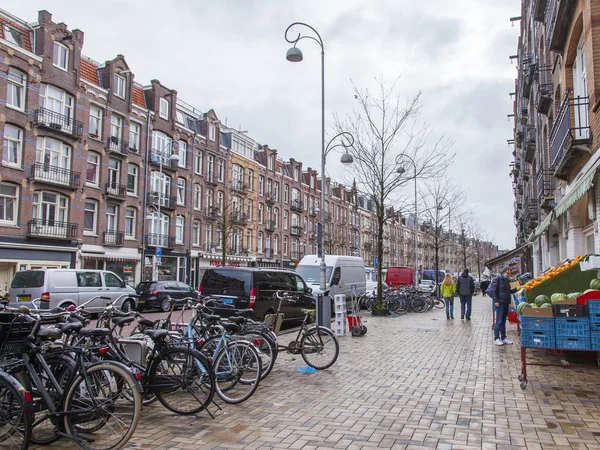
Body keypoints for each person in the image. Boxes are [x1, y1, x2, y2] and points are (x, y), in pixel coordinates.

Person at [489, 267, 514, 346]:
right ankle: (496, 338)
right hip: (500, 302)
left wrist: (517, 289)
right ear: (503, 272)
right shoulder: (497, 279)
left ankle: (503, 337)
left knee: (503, 320)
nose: (508, 275)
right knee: (499, 320)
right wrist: (496, 300)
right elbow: (494, 290)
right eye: (507, 273)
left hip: (506, 301)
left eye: (510, 273)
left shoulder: (506, 280)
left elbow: (508, 291)